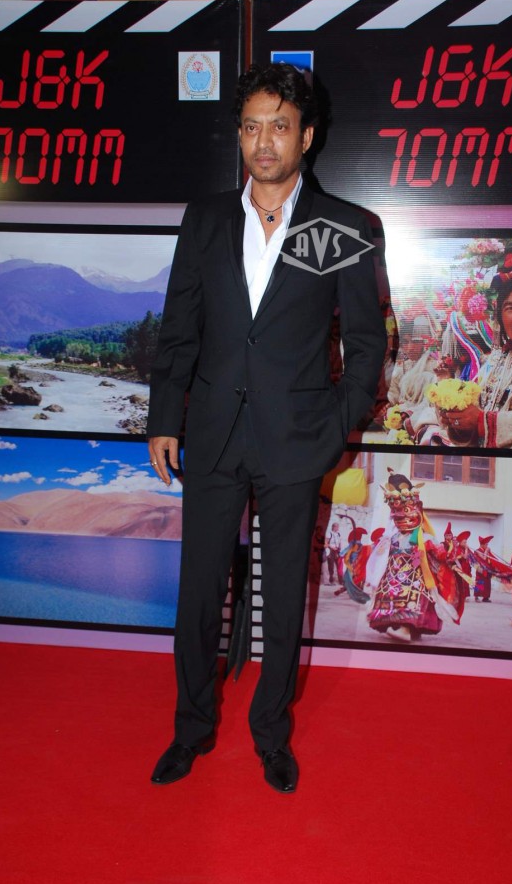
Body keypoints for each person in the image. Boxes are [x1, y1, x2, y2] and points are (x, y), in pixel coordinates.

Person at [146, 63, 386, 793]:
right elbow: (180, 326)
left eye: (279, 126)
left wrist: (335, 428)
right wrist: (165, 417)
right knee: (198, 595)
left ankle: (271, 735)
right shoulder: (207, 219)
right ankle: (191, 729)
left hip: (297, 440)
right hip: (214, 433)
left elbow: (367, 345)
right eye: (251, 127)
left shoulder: (341, 227)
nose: (263, 142)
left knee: (283, 599)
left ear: (306, 136)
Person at [411, 244, 512, 449]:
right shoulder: (495, 361)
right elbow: (474, 414)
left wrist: (483, 422)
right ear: (500, 317)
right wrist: (459, 419)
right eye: (510, 308)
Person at [366, 471, 460, 643]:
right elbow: (380, 554)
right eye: (396, 514)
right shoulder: (392, 537)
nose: (400, 518)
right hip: (393, 574)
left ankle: (407, 628)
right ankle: (402, 627)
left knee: (413, 596)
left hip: (415, 576)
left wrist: (451, 551)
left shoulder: (424, 538)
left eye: (405, 512)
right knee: (391, 595)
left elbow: (440, 554)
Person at [324, 521, 343, 588]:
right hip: (331, 551)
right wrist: (332, 547)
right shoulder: (329, 533)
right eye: (336, 526)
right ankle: (331, 580)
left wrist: (340, 548)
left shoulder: (338, 534)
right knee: (331, 566)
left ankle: (341, 581)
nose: (337, 528)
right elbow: (326, 543)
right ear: (333, 527)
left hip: (337, 551)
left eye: (338, 526)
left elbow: (340, 542)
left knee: (339, 565)